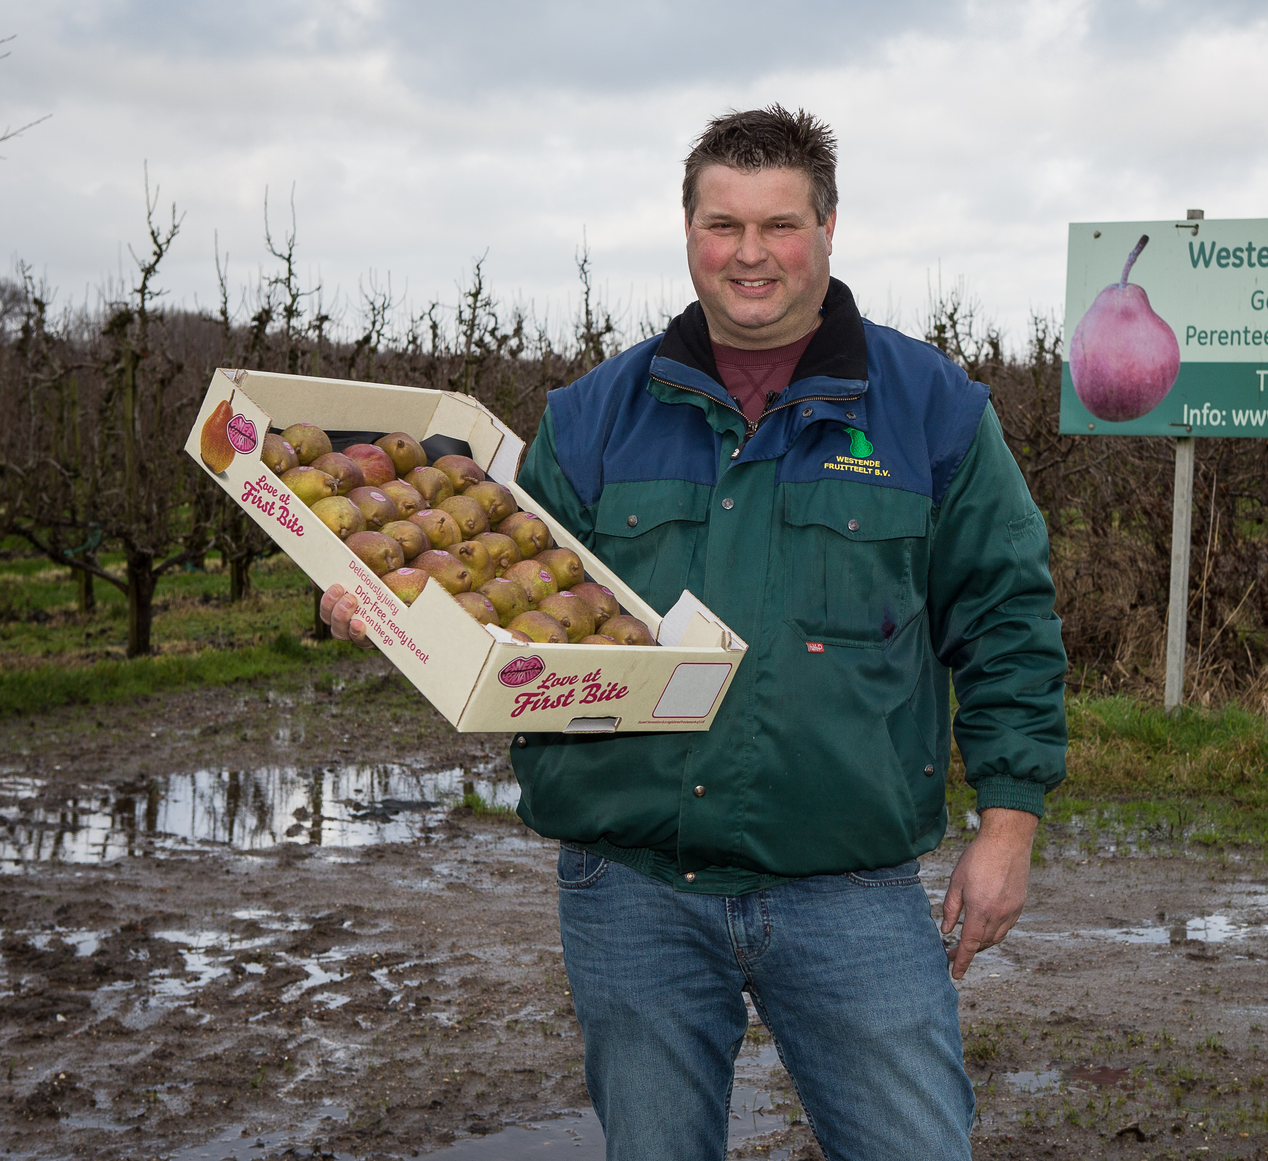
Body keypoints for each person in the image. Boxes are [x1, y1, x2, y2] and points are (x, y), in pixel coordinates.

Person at [322, 104, 1067, 1161]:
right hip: (631, 888)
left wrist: (1008, 823)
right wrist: (385, 601)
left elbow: (1003, 615)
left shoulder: (930, 408)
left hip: (845, 884)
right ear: (686, 232)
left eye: (779, 225)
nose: (749, 254)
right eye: (723, 225)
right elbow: (508, 610)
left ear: (828, 227)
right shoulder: (591, 417)